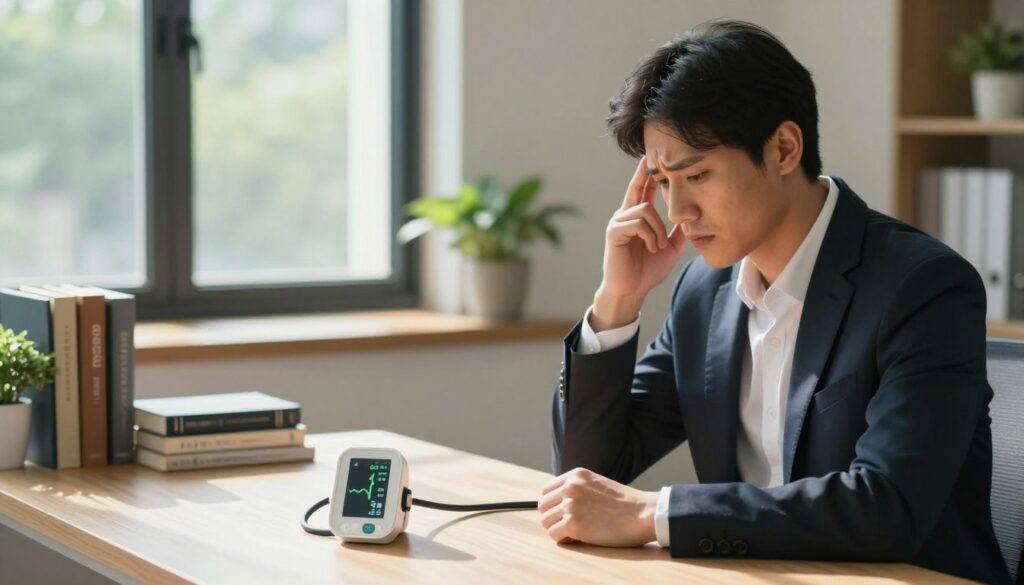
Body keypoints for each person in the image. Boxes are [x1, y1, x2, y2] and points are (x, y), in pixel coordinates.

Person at [541, 19, 1011, 585]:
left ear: (784, 148)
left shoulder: (923, 287)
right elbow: (587, 475)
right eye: (663, 182)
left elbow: (887, 506)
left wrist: (653, 513)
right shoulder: (703, 293)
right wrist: (618, 301)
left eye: (697, 174)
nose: (678, 211)